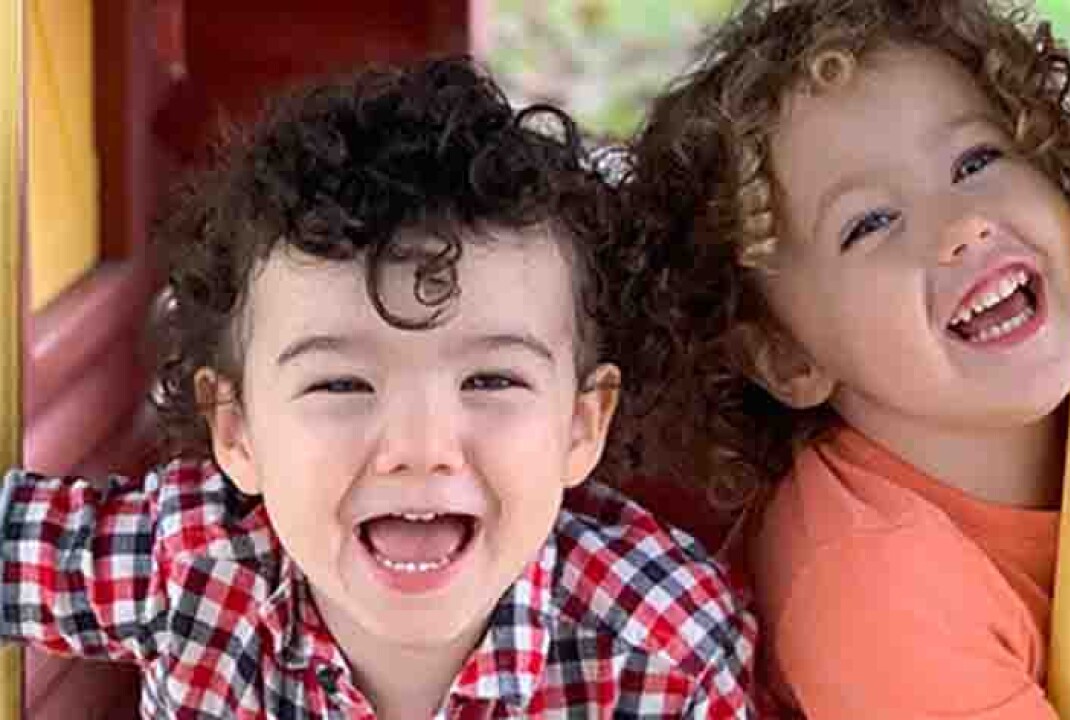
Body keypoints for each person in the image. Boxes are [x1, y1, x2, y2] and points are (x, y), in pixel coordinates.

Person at [1, 57, 755, 719]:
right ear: (237, 430)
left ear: (582, 425)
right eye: (341, 383)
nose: (419, 448)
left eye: (491, 379)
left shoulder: (663, 650)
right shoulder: (190, 561)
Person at [608, 0, 1070, 716]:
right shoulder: (874, 587)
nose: (962, 224)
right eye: (870, 223)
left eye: (976, 160)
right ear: (786, 358)